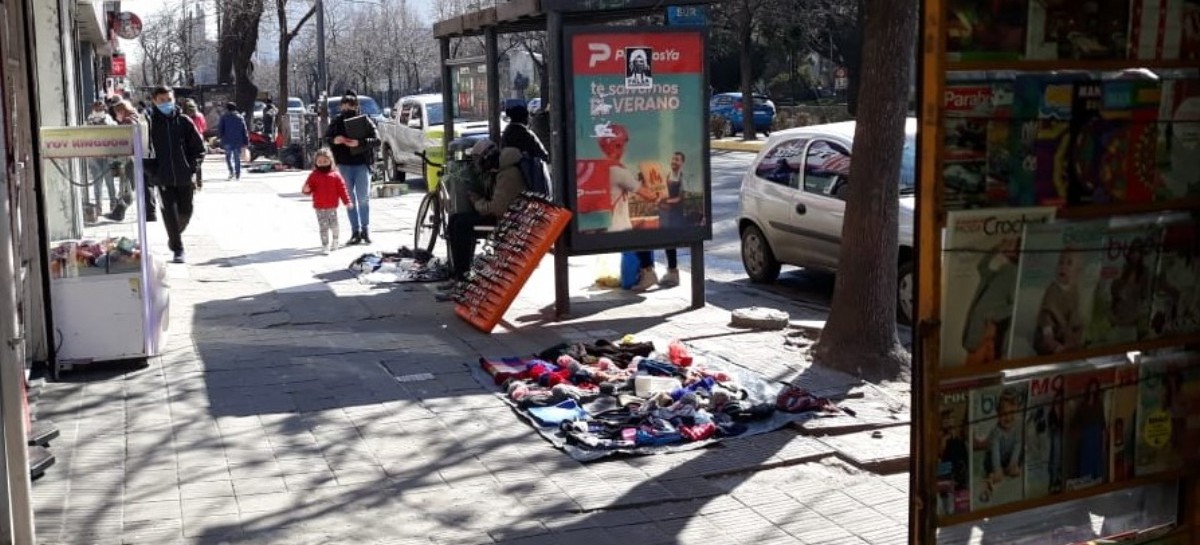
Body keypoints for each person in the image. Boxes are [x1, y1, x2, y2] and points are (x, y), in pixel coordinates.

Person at [443, 140, 528, 287]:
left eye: (477, 160)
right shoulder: (498, 170)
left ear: (486, 159)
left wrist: (477, 203)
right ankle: (458, 274)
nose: (477, 165)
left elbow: (497, 208)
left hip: (509, 220)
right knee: (455, 219)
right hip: (505, 215)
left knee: (462, 225)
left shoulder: (508, 174)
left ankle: (462, 278)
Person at [146, 85, 206, 263]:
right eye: (162, 100)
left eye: (169, 100)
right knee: (169, 213)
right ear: (154, 101)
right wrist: (153, 172)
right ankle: (178, 248)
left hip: (184, 176)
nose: (166, 103)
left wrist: (193, 168)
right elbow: (143, 151)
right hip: (162, 178)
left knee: (186, 211)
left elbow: (199, 149)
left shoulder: (184, 121)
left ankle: (173, 235)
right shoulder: (149, 124)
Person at [325, 93, 380, 245]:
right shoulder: (337, 122)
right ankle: (355, 231)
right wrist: (335, 140)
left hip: (362, 163)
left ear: (356, 106)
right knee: (349, 200)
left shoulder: (365, 120)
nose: (346, 108)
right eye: (344, 105)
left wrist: (360, 143)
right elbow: (327, 138)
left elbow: (377, 139)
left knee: (363, 199)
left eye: (350, 105)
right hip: (344, 165)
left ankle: (365, 230)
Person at [633, 151, 690, 290]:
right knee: (663, 240)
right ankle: (668, 272)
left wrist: (665, 200)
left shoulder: (683, 178)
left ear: (682, 162)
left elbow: (681, 198)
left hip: (674, 214)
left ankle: (669, 272)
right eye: (673, 159)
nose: (674, 162)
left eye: (677, 160)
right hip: (663, 213)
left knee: (669, 242)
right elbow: (657, 188)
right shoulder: (667, 176)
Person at [303, 148, 352, 254]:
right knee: (323, 226)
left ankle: (335, 240)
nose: (322, 164)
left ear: (330, 161)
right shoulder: (313, 175)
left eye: (325, 161)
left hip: (332, 206)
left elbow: (342, 190)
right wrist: (306, 190)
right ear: (316, 162)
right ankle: (325, 245)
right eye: (319, 162)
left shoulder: (335, 175)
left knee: (334, 225)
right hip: (319, 207)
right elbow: (308, 188)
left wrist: (347, 201)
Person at [85, 100, 118, 217]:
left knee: (110, 182)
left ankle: (113, 206)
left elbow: (115, 131)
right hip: (94, 157)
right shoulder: (89, 120)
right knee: (97, 184)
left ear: (104, 108)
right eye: (96, 108)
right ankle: (98, 208)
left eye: (100, 108)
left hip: (107, 155)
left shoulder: (108, 119)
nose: (98, 110)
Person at [218, 102, 249, 180]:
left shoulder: (224, 117)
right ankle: (237, 174)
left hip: (227, 140)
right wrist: (246, 141)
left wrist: (220, 138)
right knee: (237, 158)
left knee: (228, 157)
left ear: (227, 109)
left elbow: (220, 129)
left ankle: (231, 171)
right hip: (238, 141)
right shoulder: (240, 117)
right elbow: (244, 130)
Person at [181, 99, 207, 190]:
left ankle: (191, 183)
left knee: (188, 162)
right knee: (198, 163)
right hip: (200, 139)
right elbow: (204, 127)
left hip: (187, 141)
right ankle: (199, 183)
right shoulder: (200, 115)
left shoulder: (183, 117)